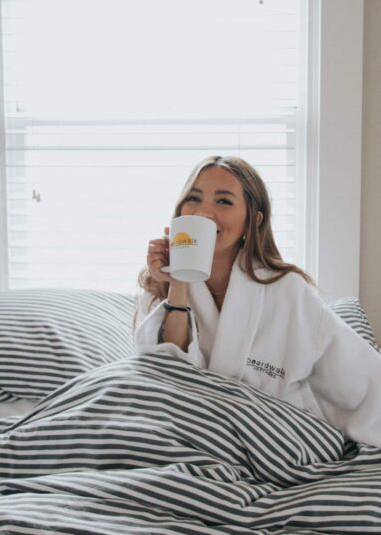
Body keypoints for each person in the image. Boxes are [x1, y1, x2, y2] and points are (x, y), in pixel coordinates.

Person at [134, 155, 381, 447]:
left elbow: (361, 378)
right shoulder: (159, 282)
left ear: (253, 220)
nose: (203, 213)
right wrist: (178, 283)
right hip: (190, 435)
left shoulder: (288, 290)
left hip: (275, 440)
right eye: (193, 199)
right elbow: (166, 374)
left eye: (223, 201)